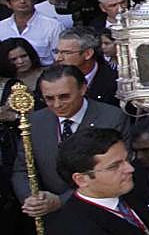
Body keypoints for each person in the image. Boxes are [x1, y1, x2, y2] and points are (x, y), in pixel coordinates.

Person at [12, 65, 130, 216]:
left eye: (64, 96)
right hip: (52, 217)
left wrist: (61, 201)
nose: (57, 104)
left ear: (83, 89)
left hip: (101, 211)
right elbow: (23, 168)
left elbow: (115, 170)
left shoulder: (111, 118)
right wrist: (32, 199)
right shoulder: (35, 122)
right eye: (49, 98)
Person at [0, 0, 63, 66]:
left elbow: (61, 58)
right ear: (8, 4)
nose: (22, 1)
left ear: (34, 0)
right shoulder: (1, 27)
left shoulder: (53, 26)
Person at [54, 27, 118, 106]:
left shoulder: (114, 83)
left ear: (88, 54)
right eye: (57, 52)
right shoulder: (49, 78)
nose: (58, 58)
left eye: (66, 53)